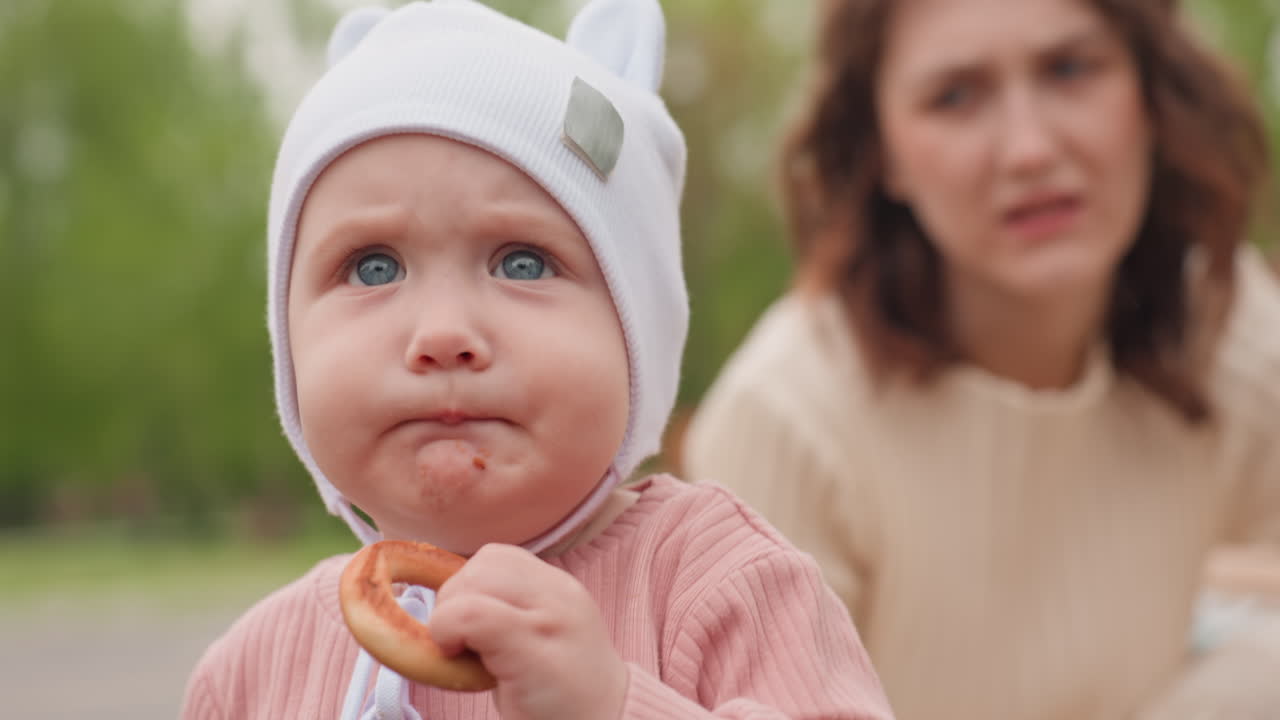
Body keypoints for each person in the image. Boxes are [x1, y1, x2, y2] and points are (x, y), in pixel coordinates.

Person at [179, 1, 895, 719]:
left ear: (634, 334)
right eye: (372, 269)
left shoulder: (717, 584)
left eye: (521, 262)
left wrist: (613, 705)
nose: (443, 332)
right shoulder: (252, 676)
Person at [682, 0, 1280, 718]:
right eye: (955, 97)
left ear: (1150, 96)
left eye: (1068, 69)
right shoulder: (787, 421)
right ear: (884, 155)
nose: (1029, 149)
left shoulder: (1226, 326)